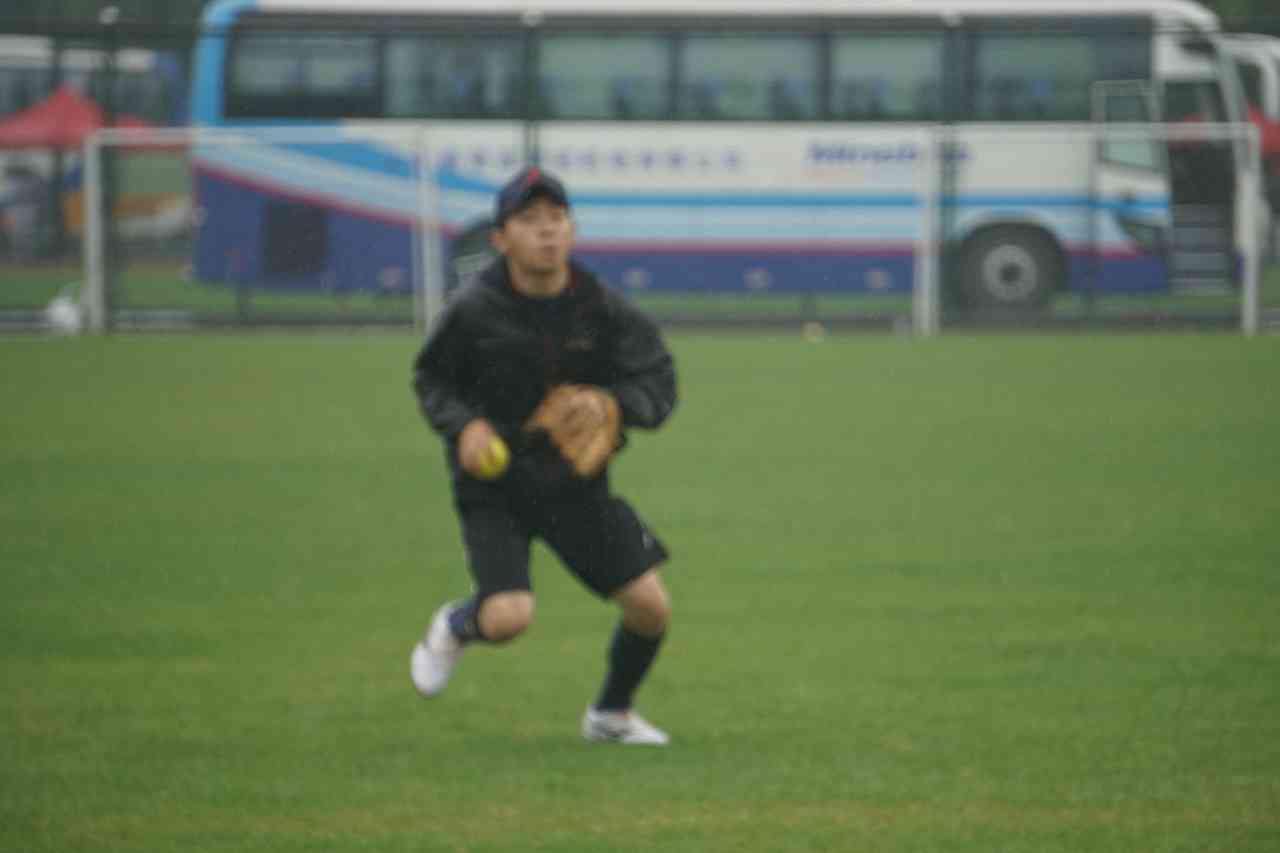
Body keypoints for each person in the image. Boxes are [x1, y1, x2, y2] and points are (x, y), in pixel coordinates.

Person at [410, 166, 678, 745]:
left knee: (650, 608)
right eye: (530, 220)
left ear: (572, 231)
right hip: (494, 489)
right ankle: (457, 623)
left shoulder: (601, 308)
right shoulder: (474, 309)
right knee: (509, 617)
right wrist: (464, 426)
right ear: (501, 238)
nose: (547, 231)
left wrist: (616, 406)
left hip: (574, 484)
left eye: (557, 218)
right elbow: (432, 379)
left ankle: (610, 716)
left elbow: (659, 379)